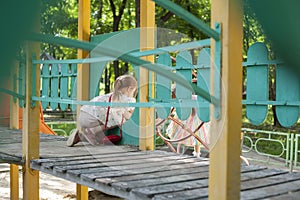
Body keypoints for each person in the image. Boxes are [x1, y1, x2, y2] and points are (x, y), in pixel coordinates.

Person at [67, 74, 138, 146]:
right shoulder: (128, 100)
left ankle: (81, 136)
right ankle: (92, 131)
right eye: (134, 91)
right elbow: (128, 117)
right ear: (129, 89)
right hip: (92, 120)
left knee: (99, 138)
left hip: (83, 116)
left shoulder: (111, 95)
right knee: (118, 120)